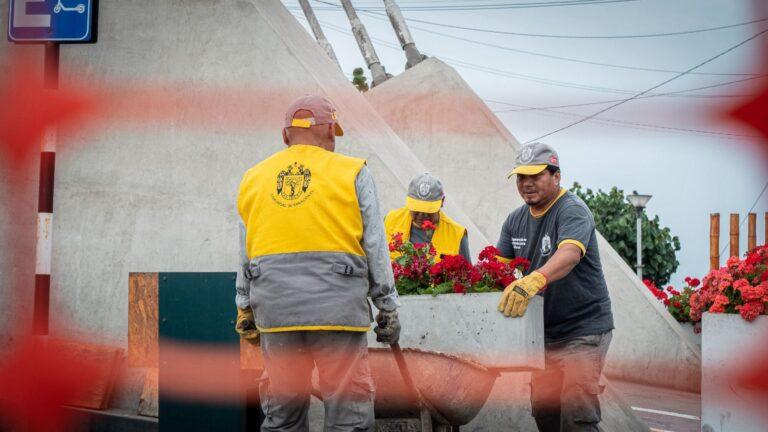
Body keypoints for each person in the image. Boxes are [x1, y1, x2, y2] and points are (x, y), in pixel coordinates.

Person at [234, 95, 401, 432]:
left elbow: (246, 250)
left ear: (285, 136)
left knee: (282, 417)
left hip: (276, 313)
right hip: (337, 313)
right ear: (329, 132)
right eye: (333, 133)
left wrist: (244, 307)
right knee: (348, 417)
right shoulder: (352, 171)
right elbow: (375, 244)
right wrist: (387, 306)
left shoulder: (254, 177)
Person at [496, 142, 614, 432]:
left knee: (577, 414)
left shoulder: (572, 210)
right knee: (545, 416)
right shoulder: (514, 220)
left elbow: (569, 254)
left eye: (535, 176)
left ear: (556, 176)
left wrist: (534, 279)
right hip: (543, 336)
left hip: (583, 330)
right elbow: (496, 269)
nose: (527, 184)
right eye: (521, 178)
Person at [384, 173, 471, 263]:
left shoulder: (457, 234)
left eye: (428, 210)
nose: (421, 215)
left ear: (442, 201)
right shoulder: (390, 219)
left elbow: (467, 274)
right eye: (416, 208)